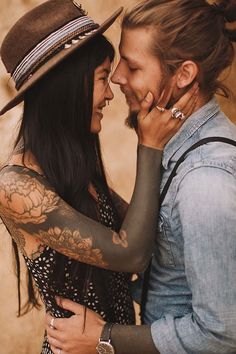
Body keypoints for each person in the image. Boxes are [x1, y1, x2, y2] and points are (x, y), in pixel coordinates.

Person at [0, 1, 197, 354]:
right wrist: (149, 146)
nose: (110, 94)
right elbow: (132, 253)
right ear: (68, 88)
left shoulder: (73, 164)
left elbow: (146, 231)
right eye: (103, 78)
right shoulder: (16, 186)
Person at [45, 0, 236, 354]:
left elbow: (221, 333)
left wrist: (104, 338)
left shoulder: (206, 182)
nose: (117, 77)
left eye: (132, 66)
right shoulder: (177, 151)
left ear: (184, 75)